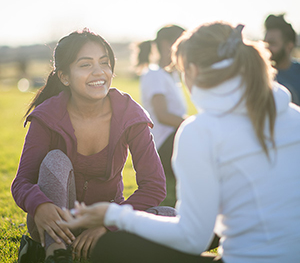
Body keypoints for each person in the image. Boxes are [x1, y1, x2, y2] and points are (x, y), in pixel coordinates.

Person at [59, 22, 300, 263]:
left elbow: (193, 238)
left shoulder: (200, 131)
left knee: (112, 246)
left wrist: (113, 215)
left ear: (193, 71)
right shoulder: (295, 116)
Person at [11, 29, 168, 263]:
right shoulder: (47, 117)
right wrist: (40, 206)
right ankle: (57, 253)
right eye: (85, 65)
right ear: (64, 77)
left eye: (104, 63)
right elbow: (22, 182)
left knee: (170, 217)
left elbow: (154, 187)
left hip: (106, 219)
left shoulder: (130, 115)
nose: (99, 72)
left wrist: (109, 221)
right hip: (56, 222)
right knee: (56, 159)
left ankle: (59, 252)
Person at [135, 25, 187, 205]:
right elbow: (162, 114)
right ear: (167, 45)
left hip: (173, 139)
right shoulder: (154, 74)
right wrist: (194, 124)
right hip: (164, 145)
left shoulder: (169, 75)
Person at [264, 14, 300, 105]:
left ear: (289, 46)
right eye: (264, 43)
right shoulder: (258, 75)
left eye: (272, 43)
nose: (266, 48)